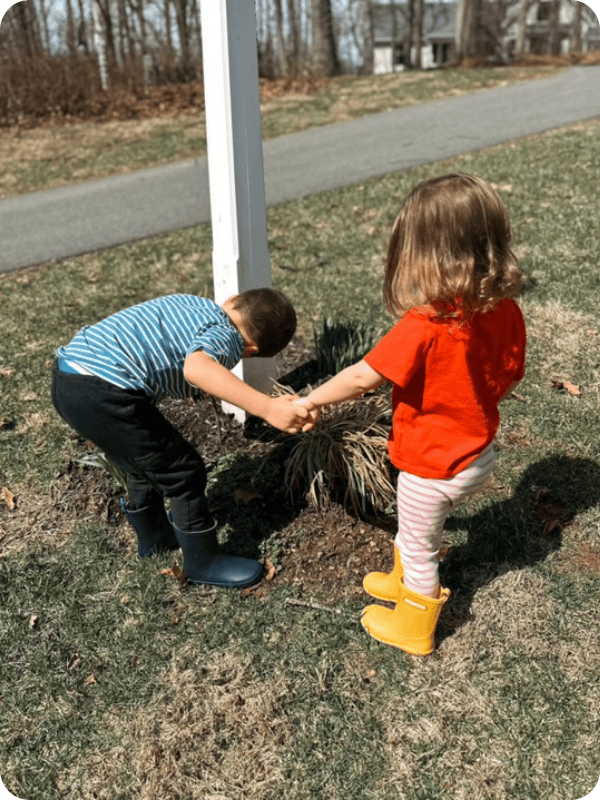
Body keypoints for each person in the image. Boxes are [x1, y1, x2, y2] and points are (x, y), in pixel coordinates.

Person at [298, 174, 526, 656]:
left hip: (432, 464)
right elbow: (509, 371)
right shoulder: (502, 308)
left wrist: (311, 399)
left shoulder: (424, 325)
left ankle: (416, 624)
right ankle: (400, 581)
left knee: (423, 545)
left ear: (424, 255)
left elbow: (364, 376)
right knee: (414, 526)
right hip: (477, 452)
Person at [52, 287, 309, 590]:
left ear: (232, 301)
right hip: (105, 390)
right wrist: (266, 407)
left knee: (142, 462)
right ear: (250, 350)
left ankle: (155, 538)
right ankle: (203, 562)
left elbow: (165, 350)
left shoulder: (193, 304)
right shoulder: (227, 337)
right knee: (184, 472)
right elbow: (198, 368)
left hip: (68, 377)